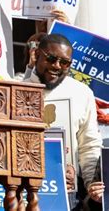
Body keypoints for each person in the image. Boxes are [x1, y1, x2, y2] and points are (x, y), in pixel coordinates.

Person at [24, 34, 103, 209]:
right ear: (36, 54)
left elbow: (89, 144)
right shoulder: (16, 88)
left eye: (65, 63)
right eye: (51, 59)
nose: (57, 66)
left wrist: (91, 183)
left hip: (67, 194)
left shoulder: (81, 93)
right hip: (21, 191)